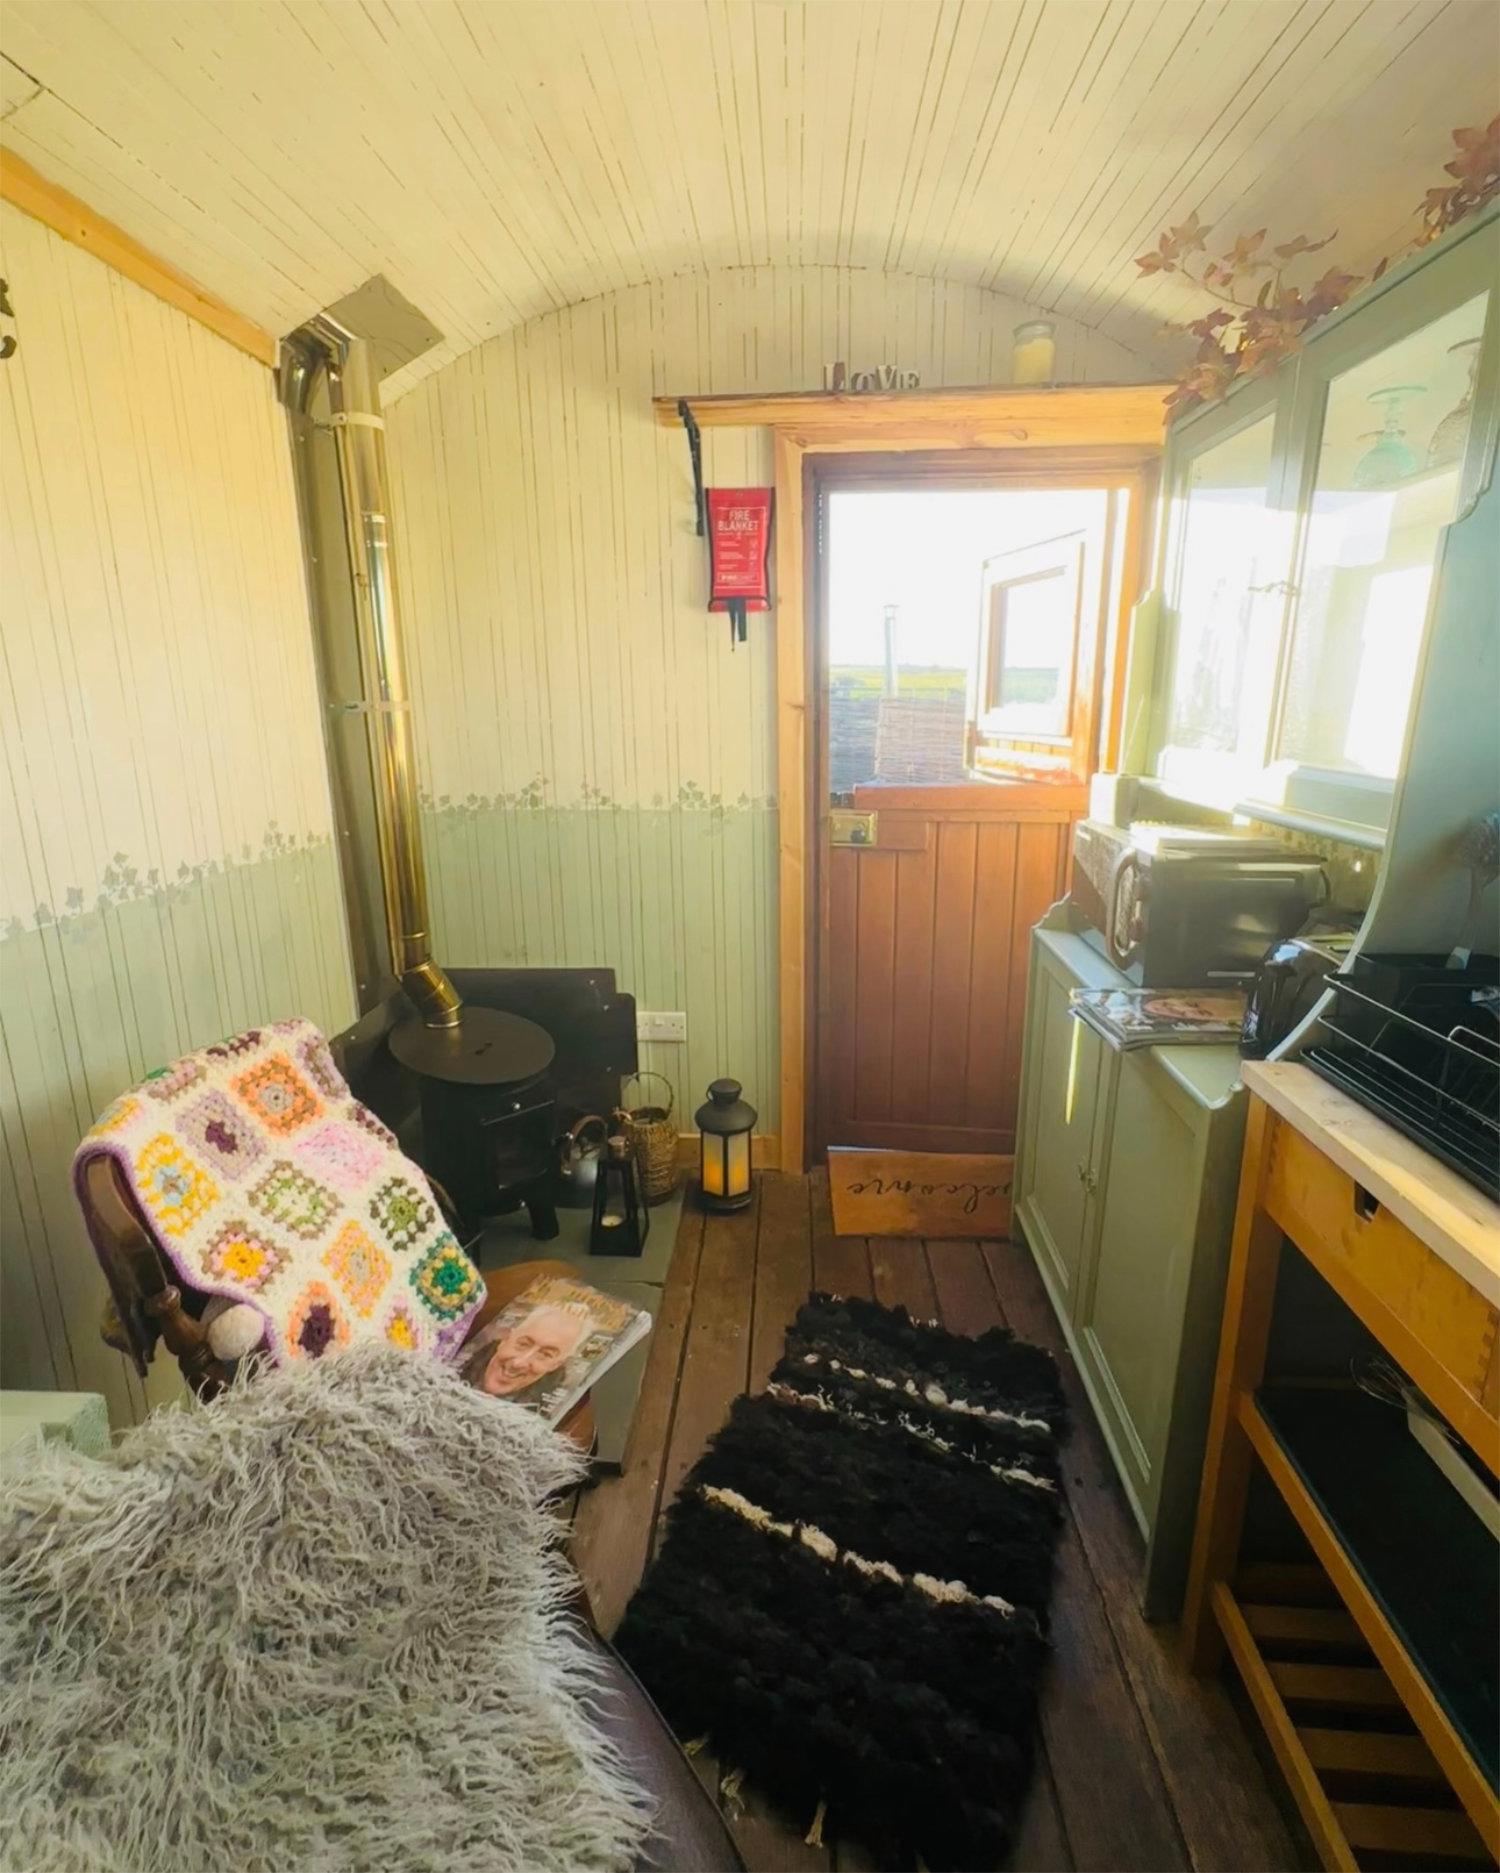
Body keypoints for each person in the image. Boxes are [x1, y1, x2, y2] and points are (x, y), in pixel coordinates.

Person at [464, 1302, 588, 1401]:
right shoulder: (467, 1358)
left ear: (555, 1365)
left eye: (545, 1354)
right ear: (505, 1339)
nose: (518, 1363)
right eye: (523, 1344)